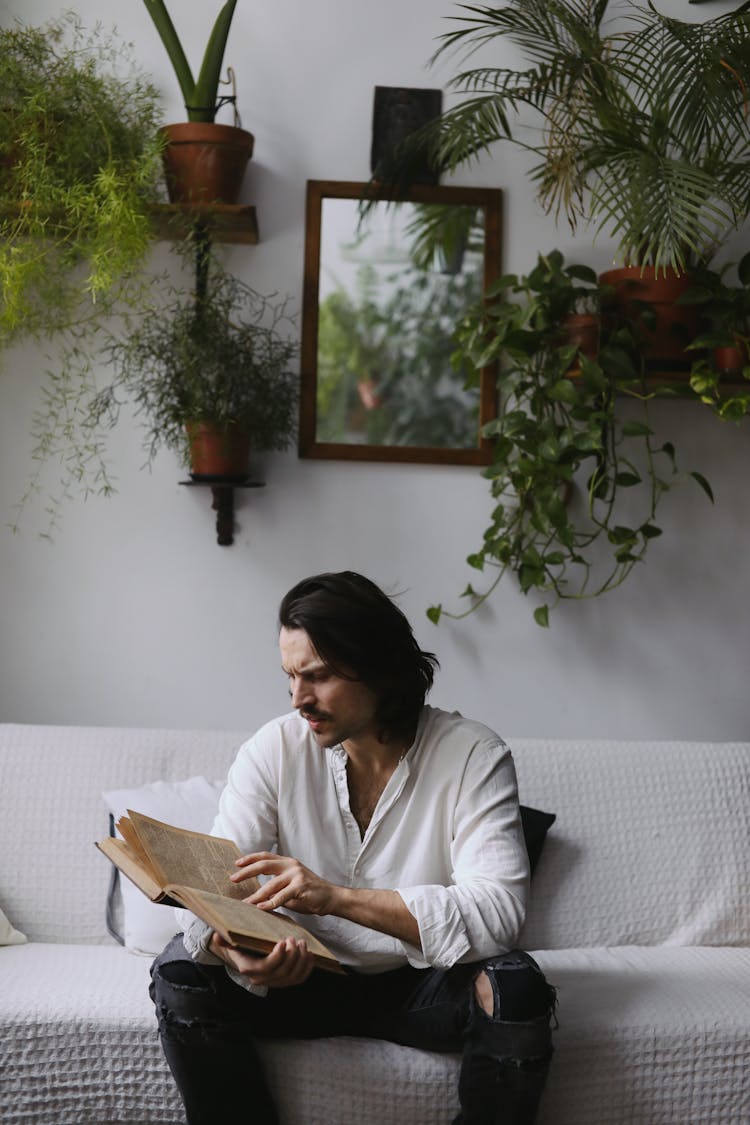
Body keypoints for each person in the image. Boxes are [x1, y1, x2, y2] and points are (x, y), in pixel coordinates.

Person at [150, 571, 556, 1125]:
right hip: (303, 980)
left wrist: (334, 898)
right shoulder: (274, 749)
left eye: (316, 676)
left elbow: (499, 913)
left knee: (517, 986)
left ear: (378, 667)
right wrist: (236, 953)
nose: (299, 699)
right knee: (180, 971)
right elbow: (216, 883)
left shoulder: (473, 755)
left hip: (423, 985)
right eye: (290, 677)